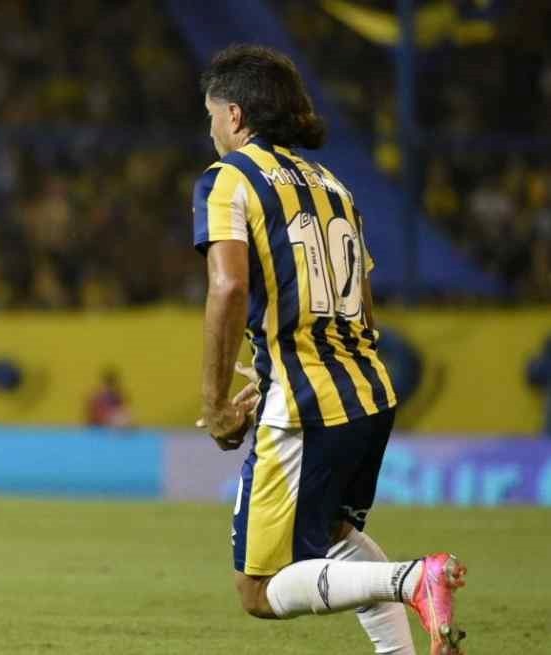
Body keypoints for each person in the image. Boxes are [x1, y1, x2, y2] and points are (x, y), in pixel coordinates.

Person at [191, 45, 465, 654]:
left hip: (306, 403)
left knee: (258, 589)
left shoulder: (229, 178)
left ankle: (413, 579)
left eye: (211, 115)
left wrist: (215, 403)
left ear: (235, 115)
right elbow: (360, 305)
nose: (209, 129)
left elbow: (228, 287)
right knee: (336, 536)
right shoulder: (334, 187)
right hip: (368, 391)